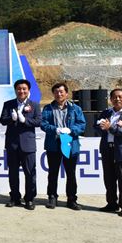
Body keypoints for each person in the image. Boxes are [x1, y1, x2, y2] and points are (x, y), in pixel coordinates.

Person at [41, 82, 86, 210]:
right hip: (54, 144)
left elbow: (82, 125)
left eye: (61, 91)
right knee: (53, 172)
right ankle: (52, 197)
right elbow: (43, 124)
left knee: (71, 173)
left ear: (66, 93)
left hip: (69, 144)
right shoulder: (48, 108)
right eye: (56, 92)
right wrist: (55, 130)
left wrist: (71, 130)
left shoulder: (75, 108)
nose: (59, 94)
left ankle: (71, 199)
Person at [0, 79, 42, 210]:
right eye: (19, 89)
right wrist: (10, 119)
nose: (21, 91)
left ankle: (29, 199)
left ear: (28, 90)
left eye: (24, 89)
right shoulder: (8, 104)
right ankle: (14, 197)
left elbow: (38, 121)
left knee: (30, 173)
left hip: (28, 144)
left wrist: (25, 120)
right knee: (13, 173)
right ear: (15, 90)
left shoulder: (34, 105)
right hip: (12, 144)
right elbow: (2, 120)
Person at [96, 88, 122, 217]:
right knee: (109, 179)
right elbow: (96, 128)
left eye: (120, 97)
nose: (117, 99)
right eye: (114, 97)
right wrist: (100, 126)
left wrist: (111, 128)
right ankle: (111, 203)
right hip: (107, 149)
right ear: (110, 99)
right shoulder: (106, 113)